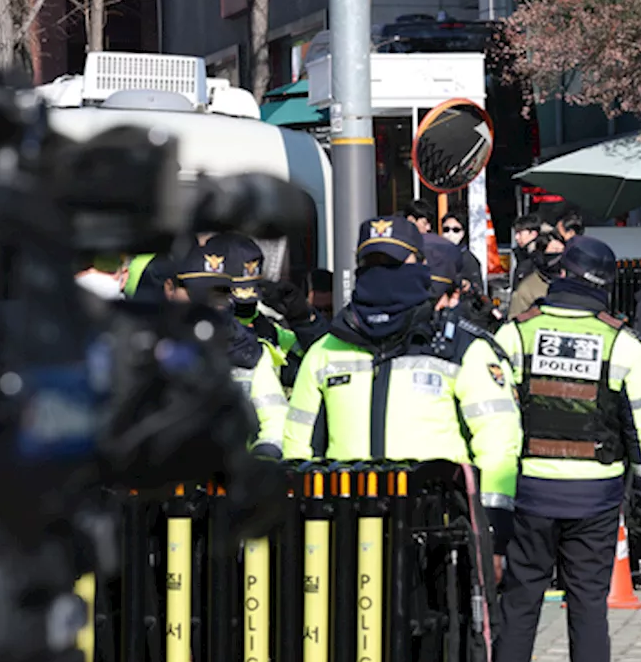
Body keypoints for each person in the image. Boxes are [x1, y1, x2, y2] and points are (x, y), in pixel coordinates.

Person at [492, 236, 641, 662]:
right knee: (588, 607)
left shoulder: (515, 334)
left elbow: (491, 415)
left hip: (527, 494)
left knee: (518, 608)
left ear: (558, 273)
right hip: (593, 498)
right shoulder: (622, 344)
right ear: (606, 287)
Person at [282, 215, 522, 523]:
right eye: (372, 262)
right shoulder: (326, 350)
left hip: (438, 527)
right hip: (344, 523)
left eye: (394, 262)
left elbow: (497, 444)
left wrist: (492, 528)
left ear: (421, 267)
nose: (382, 272)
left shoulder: (460, 349)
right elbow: (298, 446)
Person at [165, 246, 287, 459]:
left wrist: (261, 459)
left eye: (218, 292)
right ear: (169, 288)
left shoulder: (252, 354)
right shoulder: (144, 342)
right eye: (195, 291)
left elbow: (275, 423)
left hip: (228, 482)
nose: (207, 301)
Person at [203, 232, 328, 389]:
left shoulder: (270, 333)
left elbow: (327, 366)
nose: (244, 309)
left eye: (249, 301)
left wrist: (304, 320)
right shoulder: (189, 333)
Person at [508, 232, 564, 319]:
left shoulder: (574, 283)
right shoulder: (527, 288)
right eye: (554, 250)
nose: (559, 255)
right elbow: (514, 320)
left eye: (561, 251)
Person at [441, 207, 485, 292]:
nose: (450, 234)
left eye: (456, 230)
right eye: (446, 229)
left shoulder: (469, 260)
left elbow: (477, 289)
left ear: (463, 233)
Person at [510, 213, 543, 286]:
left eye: (520, 233)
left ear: (533, 234)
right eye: (516, 233)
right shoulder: (521, 254)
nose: (516, 237)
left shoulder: (540, 258)